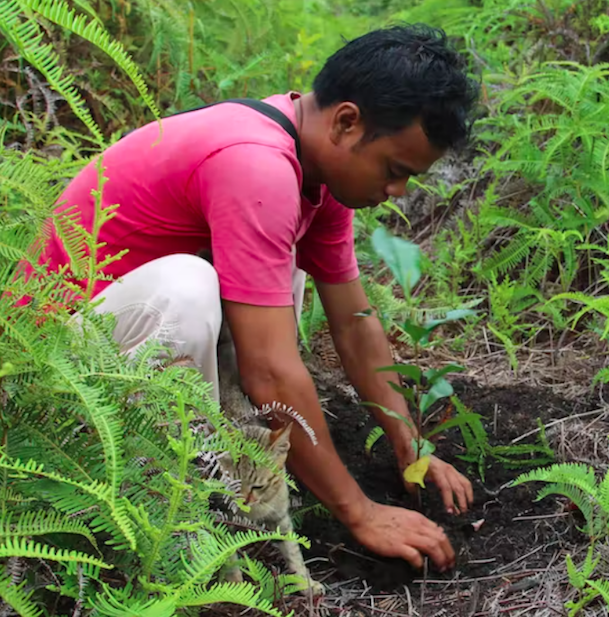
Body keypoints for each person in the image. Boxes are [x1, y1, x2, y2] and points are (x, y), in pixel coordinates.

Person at [24, 24, 480, 572]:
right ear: (346, 122)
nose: (398, 191)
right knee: (187, 291)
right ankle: (180, 521)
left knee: (273, 277)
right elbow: (269, 371)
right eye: (394, 170)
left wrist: (409, 442)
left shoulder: (314, 166)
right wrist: (359, 511)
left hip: (117, 355)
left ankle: (237, 480)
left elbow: (356, 323)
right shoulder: (256, 163)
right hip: (45, 376)